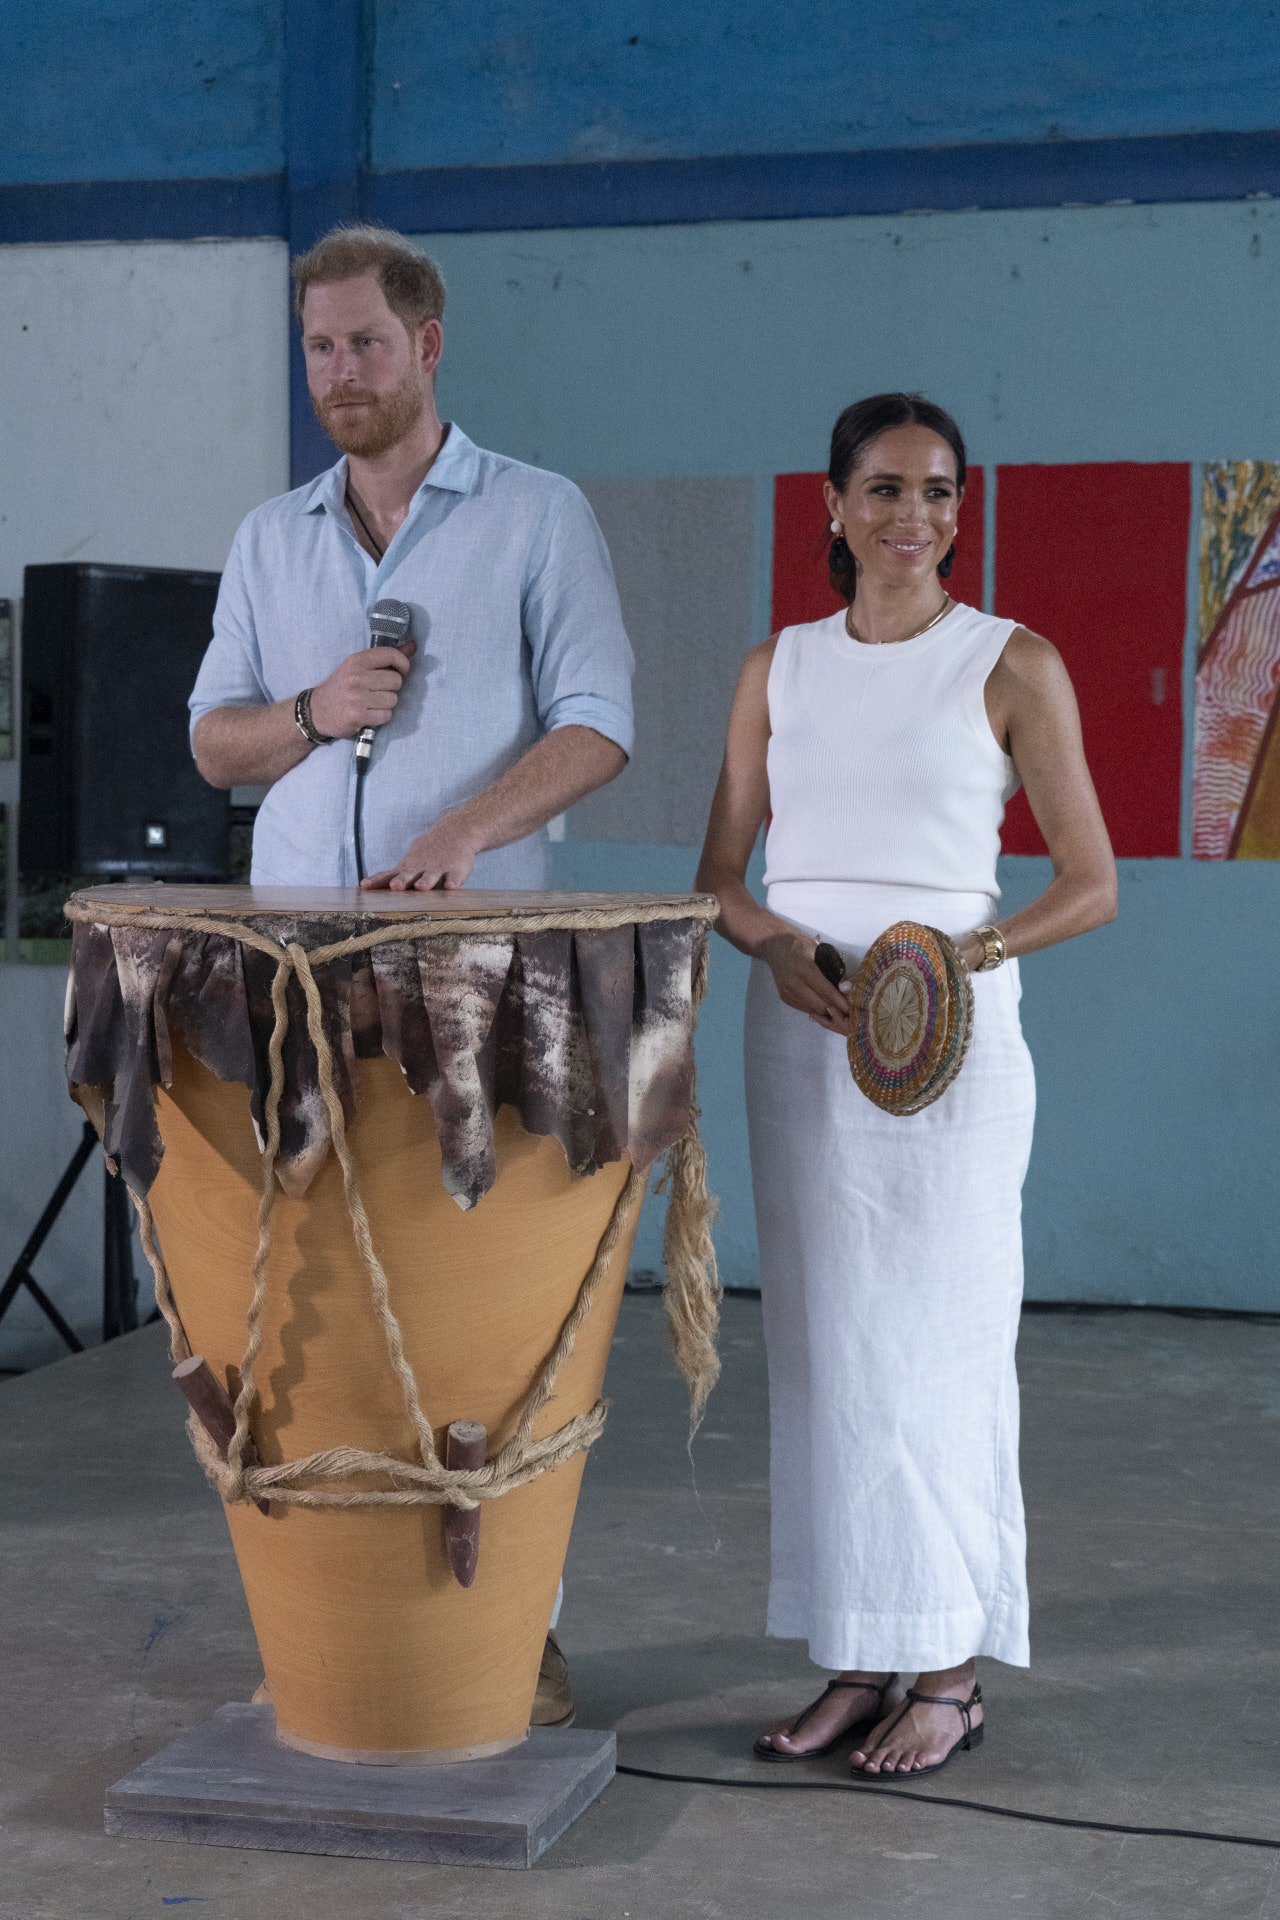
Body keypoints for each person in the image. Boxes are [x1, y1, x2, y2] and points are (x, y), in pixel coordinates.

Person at [190, 223, 635, 1725]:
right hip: (293, 983)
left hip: (485, 974)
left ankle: (520, 1629)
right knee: (308, 1315)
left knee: (486, 1319)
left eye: (365, 345)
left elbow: (597, 722)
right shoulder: (271, 539)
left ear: (430, 345)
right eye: (318, 349)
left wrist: (465, 829)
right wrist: (312, 711)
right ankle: (334, 1635)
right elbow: (213, 742)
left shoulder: (538, 514)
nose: (339, 376)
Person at [695, 393, 1117, 1778]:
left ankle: (949, 1669)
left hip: (952, 1044)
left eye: (939, 492)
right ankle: (857, 1653)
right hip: (805, 1033)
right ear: (830, 504)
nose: (913, 518)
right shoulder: (779, 671)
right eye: (883, 489)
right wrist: (787, 948)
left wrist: (953, 956)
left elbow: (1089, 883)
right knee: (825, 1351)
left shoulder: (1011, 663)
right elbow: (718, 883)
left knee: (935, 1347)